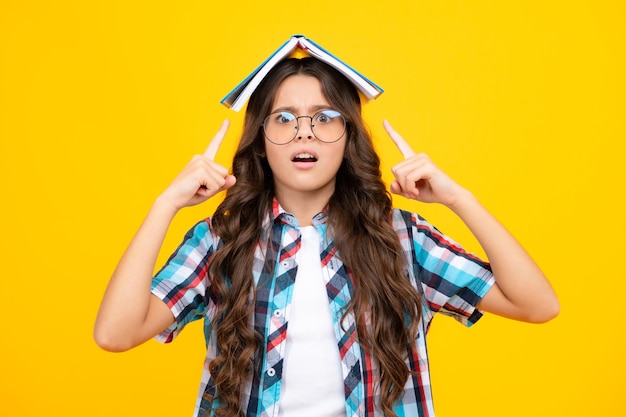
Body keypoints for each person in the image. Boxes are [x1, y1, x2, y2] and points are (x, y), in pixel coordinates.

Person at [94, 57, 559, 417]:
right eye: (283, 119)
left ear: (348, 136)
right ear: (259, 139)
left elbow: (537, 305)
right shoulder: (220, 240)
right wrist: (164, 205)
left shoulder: (402, 240)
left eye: (324, 117)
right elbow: (115, 334)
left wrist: (461, 199)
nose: (304, 134)